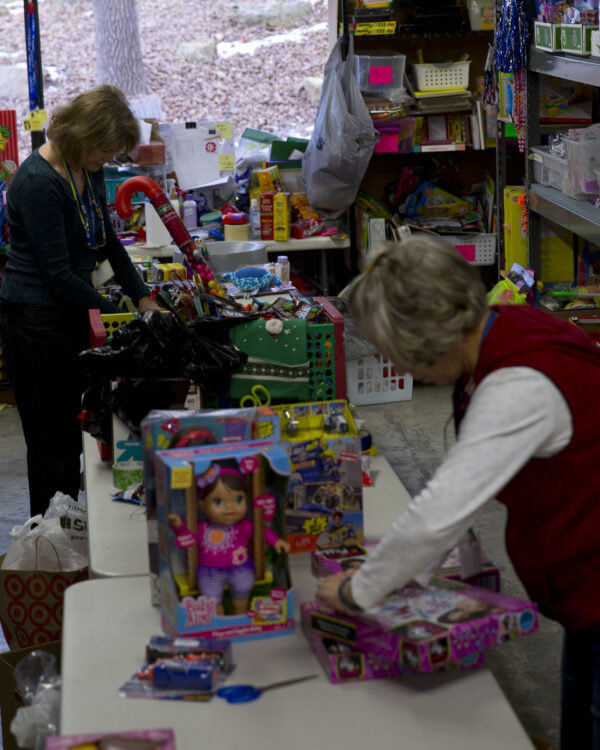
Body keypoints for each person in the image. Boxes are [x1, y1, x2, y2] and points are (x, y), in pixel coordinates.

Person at [315, 235, 600, 749]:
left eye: (397, 356)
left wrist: (359, 591)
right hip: (584, 585)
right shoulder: (500, 329)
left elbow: (441, 510)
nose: (402, 370)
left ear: (427, 338)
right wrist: (406, 572)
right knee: (580, 702)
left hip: (592, 571)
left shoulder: (517, 386)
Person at [0, 85, 161, 517]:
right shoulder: (39, 182)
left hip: (69, 313)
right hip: (36, 322)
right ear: (82, 137)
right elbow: (58, 277)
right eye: (105, 151)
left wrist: (143, 297)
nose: (107, 160)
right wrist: (120, 316)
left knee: (71, 437)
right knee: (51, 445)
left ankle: (68, 530)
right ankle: (47, 542)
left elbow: (107, 241)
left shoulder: (85, 167)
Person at [168, 462, 290, 615]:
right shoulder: (201, 528)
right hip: (210, 571)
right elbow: (187, 535)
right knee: (210, 595)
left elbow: (262, 532)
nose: (229, 508)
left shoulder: (244, 525)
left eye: (238, 500)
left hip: (240, 568)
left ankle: (241, 614)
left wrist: (276, 541)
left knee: (244, 586)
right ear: (202, 505)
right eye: (218, 502)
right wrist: (178, 524)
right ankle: (219, 621)